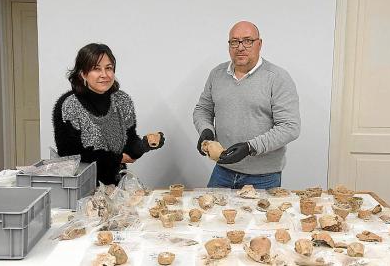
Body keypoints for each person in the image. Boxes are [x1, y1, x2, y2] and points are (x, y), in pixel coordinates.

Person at [193, 21, 300, 189]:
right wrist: (206, 130)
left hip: (263, 177)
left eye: (248, 41)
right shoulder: (217, 74)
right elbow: (203, 109)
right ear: (229, 46)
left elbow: (289, 127)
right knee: (210, 216)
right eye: (234, 42)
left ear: (260, 44)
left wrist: (250, 147)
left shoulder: (277, 78)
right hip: (222, 171)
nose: (240, 47)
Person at [52, 43, 165, 185]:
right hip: (81, 187)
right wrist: (116, 159)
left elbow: (128, 143)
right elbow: (69, 153)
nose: (104, 75)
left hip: (116, 185)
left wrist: (144, 145)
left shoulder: (122, 100)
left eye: (109, 68)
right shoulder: (69, 105)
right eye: (96, 69)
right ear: (83, 73)